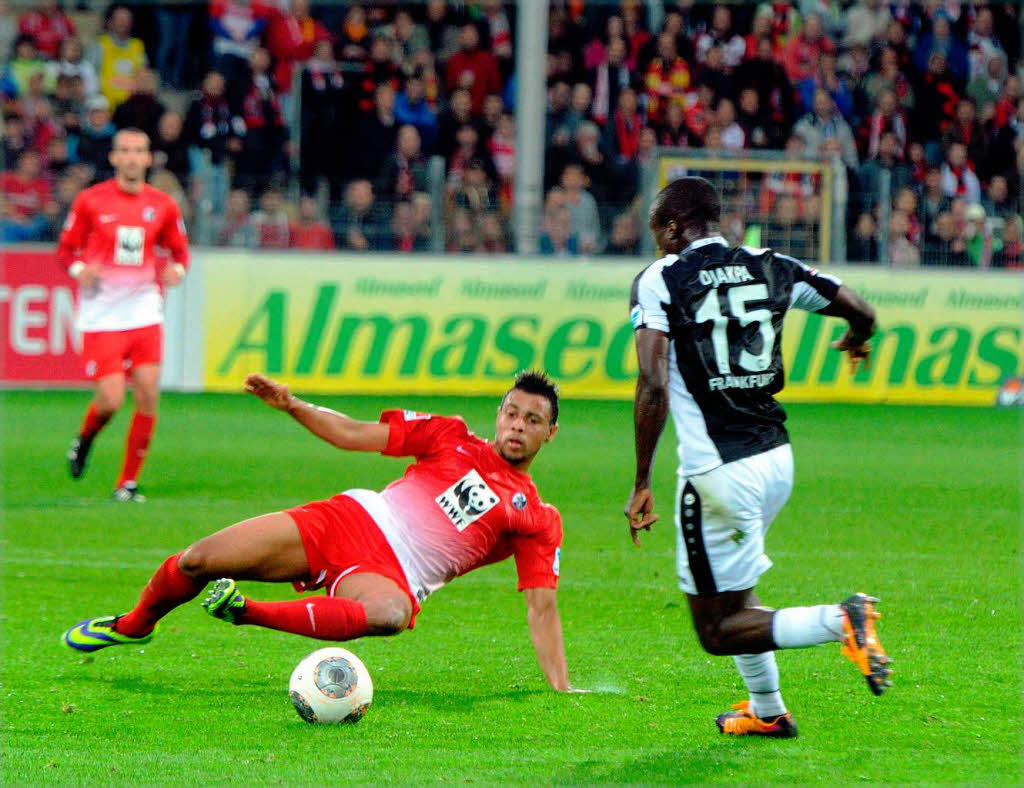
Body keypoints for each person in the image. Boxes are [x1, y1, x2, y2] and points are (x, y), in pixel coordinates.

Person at [62, 371, 581, 693]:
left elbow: (542, 608)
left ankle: (246, 613)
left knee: (391, 615)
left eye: (532, 420)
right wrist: (293, 405)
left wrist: (561, 689)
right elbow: (354, 433)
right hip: (348, 520)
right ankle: (132, 625)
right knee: (197, 560)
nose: (518, 425)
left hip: (390, 575)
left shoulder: (537, 517)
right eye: (512, 413)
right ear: (499, 414)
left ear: (550, 434)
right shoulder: (450, 435)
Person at [624, 176, 891, 739]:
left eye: (657, 231)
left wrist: (641, 477)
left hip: (717, 473)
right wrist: (858, 338)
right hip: (776, 462)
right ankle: (766, 710)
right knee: (739, 595)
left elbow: (652, 383)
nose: (656, 243)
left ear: (673, 228)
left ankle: (840, 620)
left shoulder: (660, 279)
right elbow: (860, 309)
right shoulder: (771, 263)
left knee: (718, 630)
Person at [57, 128, 190, 502]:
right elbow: (67, 249)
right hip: (102, 315)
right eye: (125, 151)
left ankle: (127, 483)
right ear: (114, 158)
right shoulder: (90, 201)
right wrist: (78, 270)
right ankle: (84, 440)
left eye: (139, 151)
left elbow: (180, 252)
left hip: (144, 310)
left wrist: (177, 271)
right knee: (111, 400)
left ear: (149, 158)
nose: (132, 157)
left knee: (148, 394)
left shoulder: (163, 205)